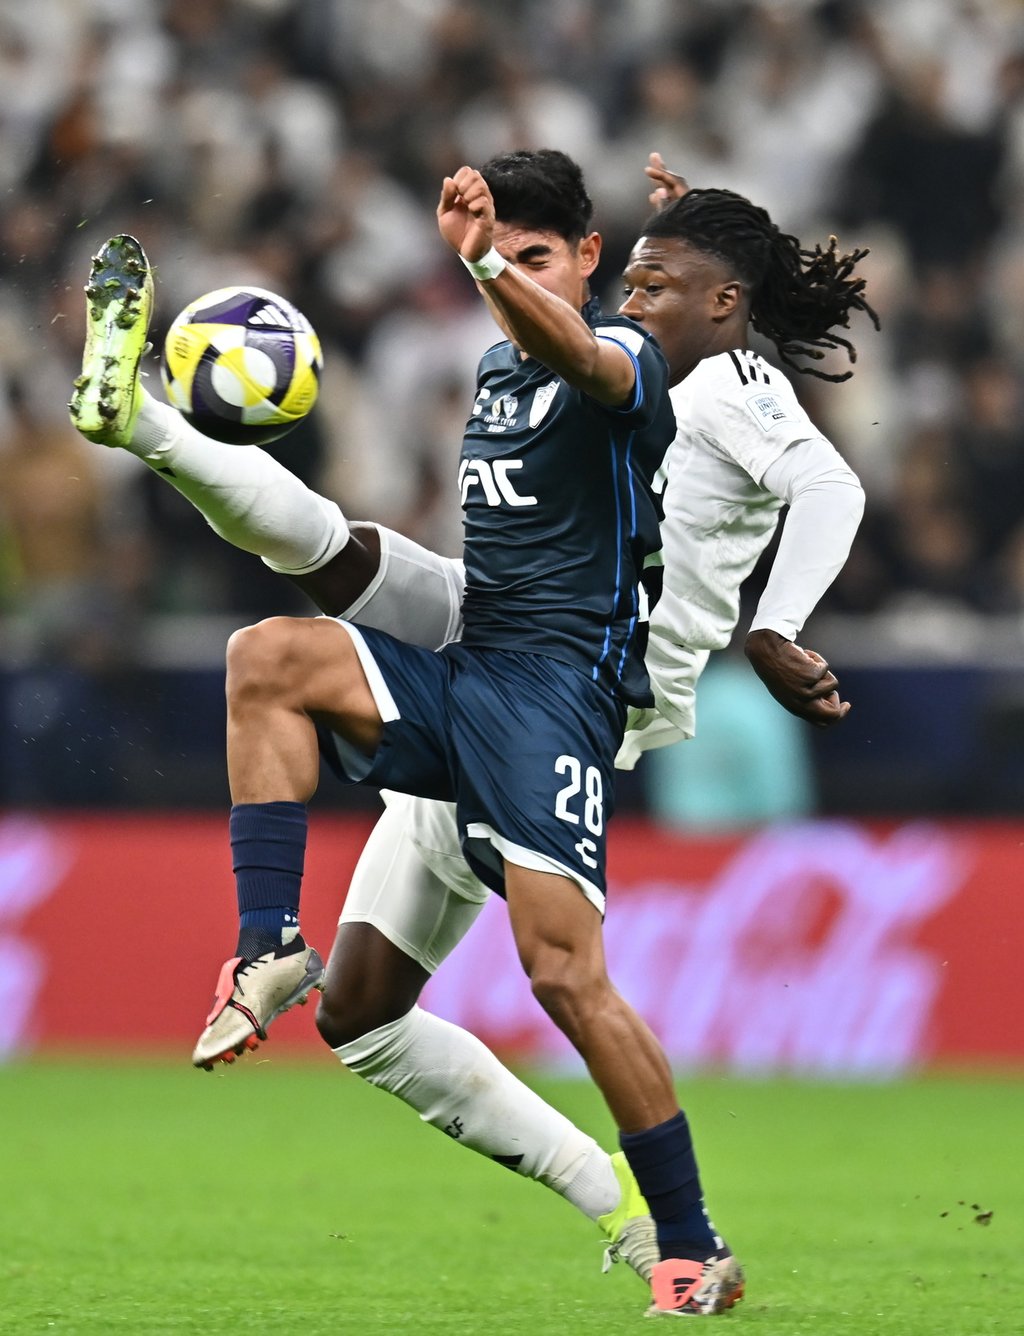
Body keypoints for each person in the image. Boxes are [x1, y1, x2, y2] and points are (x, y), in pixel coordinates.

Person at [69, 151, 874, 1316]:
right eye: (629, 277)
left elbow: (822, 482)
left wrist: (778, 624)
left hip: (589, 680)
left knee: (558, 972)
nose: (613, 292)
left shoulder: (700, 373)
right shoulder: (550, 350)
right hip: (494, 631)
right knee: (322, 600)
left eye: (568, 262)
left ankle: (684, 1232)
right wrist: (667, 236)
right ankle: (143, 424)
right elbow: (628, 307)